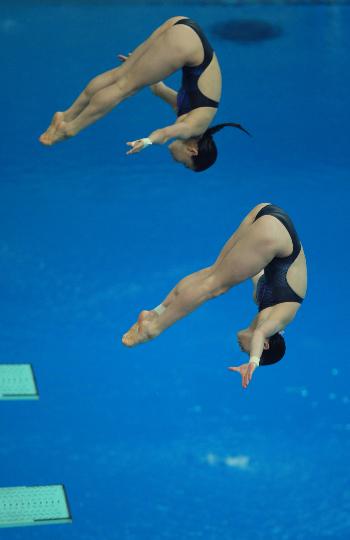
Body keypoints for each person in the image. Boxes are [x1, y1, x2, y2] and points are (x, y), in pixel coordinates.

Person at [122, 203, 307, 388]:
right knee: (214, 287)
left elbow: (254, 269)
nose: (242, 349)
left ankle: (156, 312)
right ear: (265, 345)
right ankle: (152, 329)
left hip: (266, 213)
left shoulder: (263, 300)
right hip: (273, 234)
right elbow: (259, 333)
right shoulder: (282, 318)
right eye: (247, 352)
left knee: (213, 273)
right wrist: (253, 363)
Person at [39, 16, 249, 171]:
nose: (177, 162)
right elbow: (165, 133)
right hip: (186, 44)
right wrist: (148, 141)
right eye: (185, 165)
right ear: (192, 151)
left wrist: (146, 66)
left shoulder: (192, 114)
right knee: (124, 88)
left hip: (182, 26)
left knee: (121, 75)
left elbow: (158, 89)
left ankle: (66, 115)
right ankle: (71, 129)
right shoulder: (194, 126)